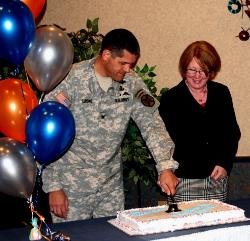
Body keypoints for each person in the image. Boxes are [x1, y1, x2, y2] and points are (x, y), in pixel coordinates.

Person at [42, 28, 179, 222]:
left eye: (131, 64)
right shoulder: (70, 78)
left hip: (110, 187)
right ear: (106, 55)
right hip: (71, 186)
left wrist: (165, 167)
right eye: (122, 63)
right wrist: (53, 186)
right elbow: (46, 133)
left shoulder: (131, 83)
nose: (127, 70)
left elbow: (151, 123)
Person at [159, 40, 241, 202]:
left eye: (203, 71)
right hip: (183, 180)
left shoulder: (221, 93)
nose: (197, 76)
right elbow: (163, 141)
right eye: (192, 70)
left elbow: (232, 133)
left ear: (211, 71)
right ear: (184, 69)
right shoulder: (171, 98)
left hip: (216, 177)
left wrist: (225, 164)